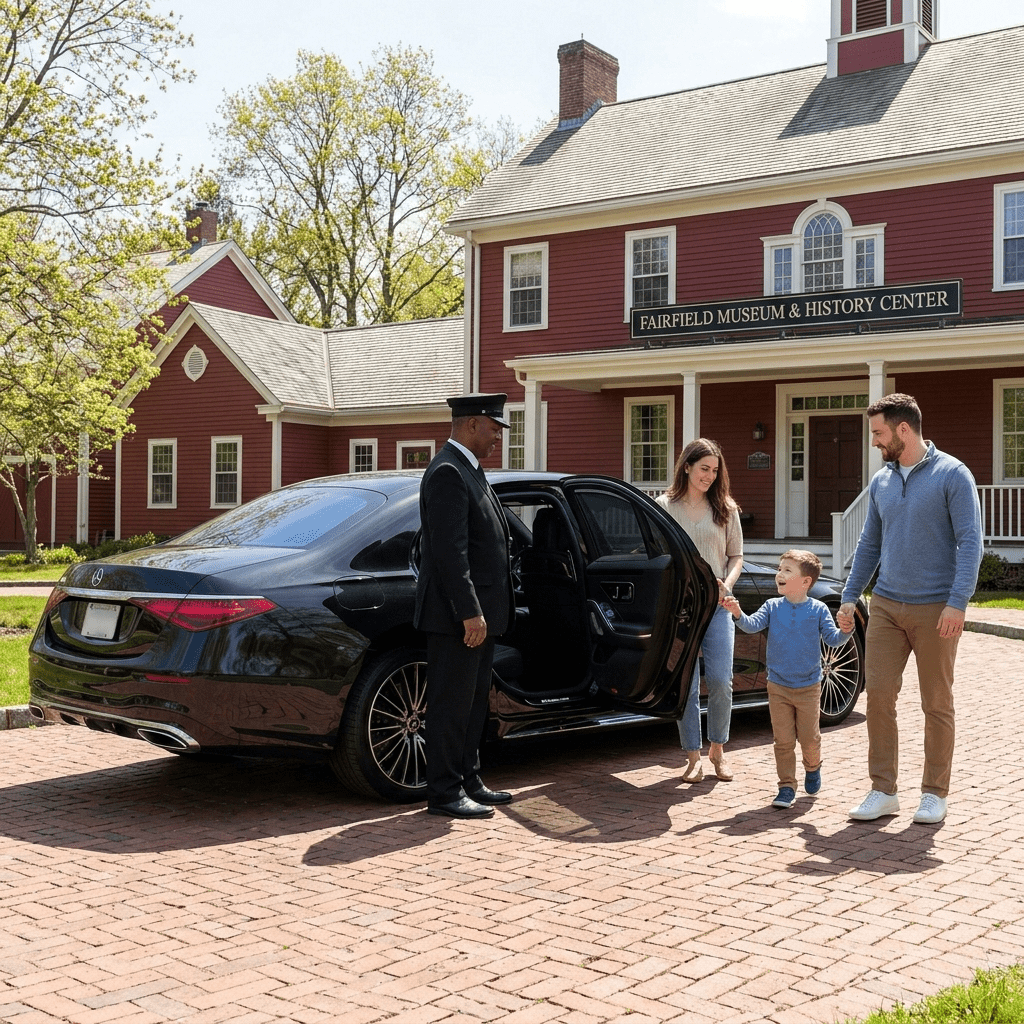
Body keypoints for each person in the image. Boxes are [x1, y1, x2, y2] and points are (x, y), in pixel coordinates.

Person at [838, 393, 982, 825]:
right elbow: (869, 543)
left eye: (879, 433)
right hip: (885, 605)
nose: (875, 442)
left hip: (936, 607)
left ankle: (935, 793)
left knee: (936, 702)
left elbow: (970, 542)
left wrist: (958, 602)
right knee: (879, 696)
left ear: (904, 429)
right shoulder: (882, 480)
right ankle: (883, 790)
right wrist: (850, 594)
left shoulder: (953, 475)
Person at [414, 393, 516, 819]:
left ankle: (468, 779)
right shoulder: (448, 473)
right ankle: (444, 792)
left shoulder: (470, 470)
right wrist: (469, 612)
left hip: (480, 617)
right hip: (458, 618)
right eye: (493, 429)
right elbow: (449, 553)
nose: (497, 438)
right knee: (450, 705)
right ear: (472, 424)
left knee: (473, 704)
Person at [723, 550, 853, 809]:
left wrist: (846, 631)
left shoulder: (818, 609)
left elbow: (832, 639)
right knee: (782, 741)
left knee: (809, 739)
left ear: (806, 582)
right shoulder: (772, 606)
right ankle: (786, 786)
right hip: (778, 685)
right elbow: (751, 625)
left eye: (787, 570)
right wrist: (737, 612)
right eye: (779, 569)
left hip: (808, 686)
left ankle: (813, 767)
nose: (778, 574)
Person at [657, 438, 743, 783]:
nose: (709, 476)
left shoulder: (725, 507)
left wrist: (729, 583)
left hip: (718, 606)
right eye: (704, 468)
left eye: (714, 471)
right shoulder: (664, 505)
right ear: (687, 466)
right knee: (686, 684)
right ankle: (692, 756)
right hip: (681, 609)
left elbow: (736, 555)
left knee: (721, 680)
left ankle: (718, 750)